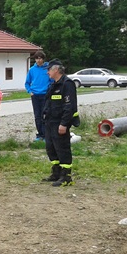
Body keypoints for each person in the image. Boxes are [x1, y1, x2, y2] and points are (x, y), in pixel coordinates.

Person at [42, 59, 78, 187]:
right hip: (50, 122)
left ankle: (66, 176)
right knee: (51, 148)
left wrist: (64, 124)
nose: (47, 72)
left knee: (62, 148)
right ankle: (56, 173)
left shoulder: (67, 84)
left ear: (56, 70)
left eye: (49, 70)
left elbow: (69, 106)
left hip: (60, 123)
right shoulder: (54, 85)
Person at [25, 50, 51, 142]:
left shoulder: (48, 68)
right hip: (35, 95)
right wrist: (30, 91)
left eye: (40, 58)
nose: (38, 60)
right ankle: (40, 134)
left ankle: (45, 135)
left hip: (45, 95)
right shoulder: (32, 70)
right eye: (37, 58)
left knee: (45, 115)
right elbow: (27, 83)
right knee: (37, 116)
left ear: (43, 59)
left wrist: (49, 91)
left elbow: (52, 81)